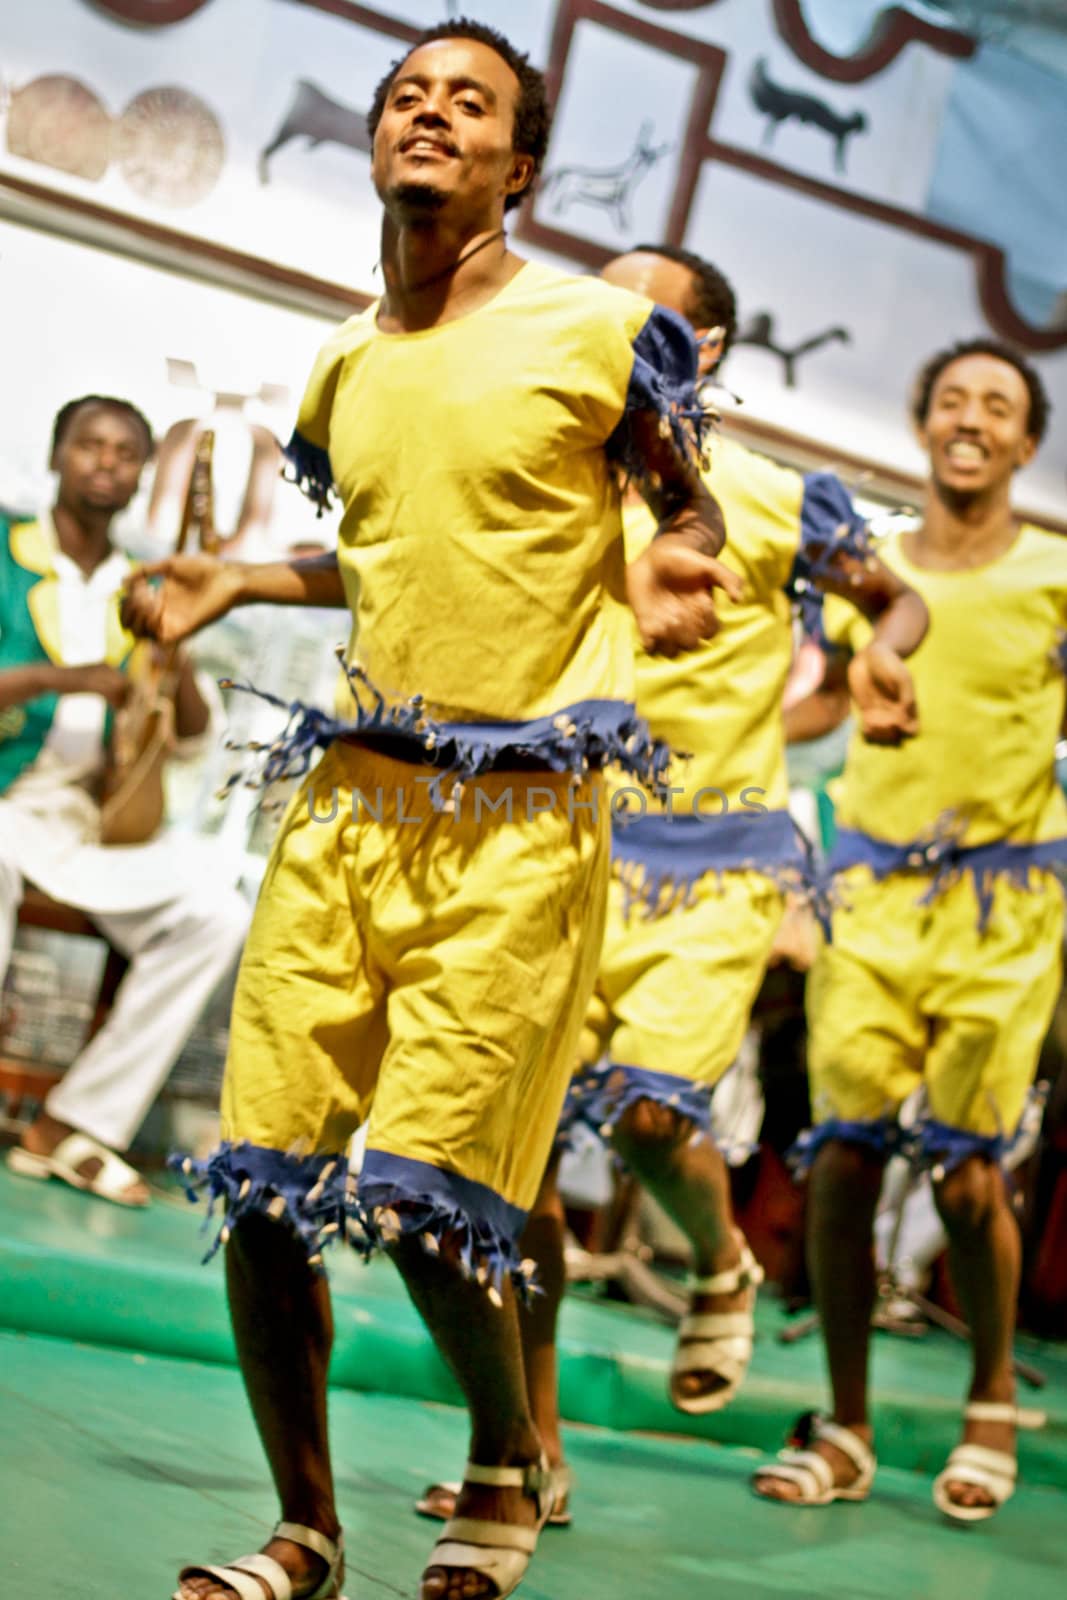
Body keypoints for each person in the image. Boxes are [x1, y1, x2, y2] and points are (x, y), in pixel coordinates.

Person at [121, 24, 740, 1600]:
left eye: (469, 101)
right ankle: (304, 1532)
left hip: (521, 826)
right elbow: (399, 549)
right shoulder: (346, 358)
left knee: (418, 1198)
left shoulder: (600, 330)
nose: (427, 111)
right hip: (347, 806)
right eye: (408, 92)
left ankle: (507, 1458)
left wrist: (674, 547)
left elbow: (683, 499)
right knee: (259, 1184)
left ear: (515, 167)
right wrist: (237, 574)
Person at [415, 244, 928, 1529]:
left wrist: (867, 670)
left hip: (712, 865)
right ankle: (531, 1451)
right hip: (555, 843)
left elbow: (893, 598)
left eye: (635, 307)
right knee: (514, 1161)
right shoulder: (559, 470)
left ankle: (719, 1258)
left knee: (649, 1116)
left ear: (697, 350)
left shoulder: (769, 495)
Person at [753, 339, 1067, 1522]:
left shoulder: (1053, 573)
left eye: (998, 405)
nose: (971, 419)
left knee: (966, 1170)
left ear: (1025, 442)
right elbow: (822, 704)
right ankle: (845, 1421)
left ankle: (990, 1397)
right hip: (870, 892)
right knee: (838, 1155)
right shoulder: (867, 572)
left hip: (1003, 902)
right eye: (951, 400)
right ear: (921, 424)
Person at [0, 395, 249, 1207]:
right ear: (57, 454)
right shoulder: (7, 553)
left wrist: (174, 661)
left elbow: (190, 733)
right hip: (8, 804)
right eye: (89, 445)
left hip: (89, 824)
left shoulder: (145, 581)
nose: (105, 462)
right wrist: (62, 680)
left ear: (143, 474)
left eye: (123, 452)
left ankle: (74, 1126)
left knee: (216, 912)